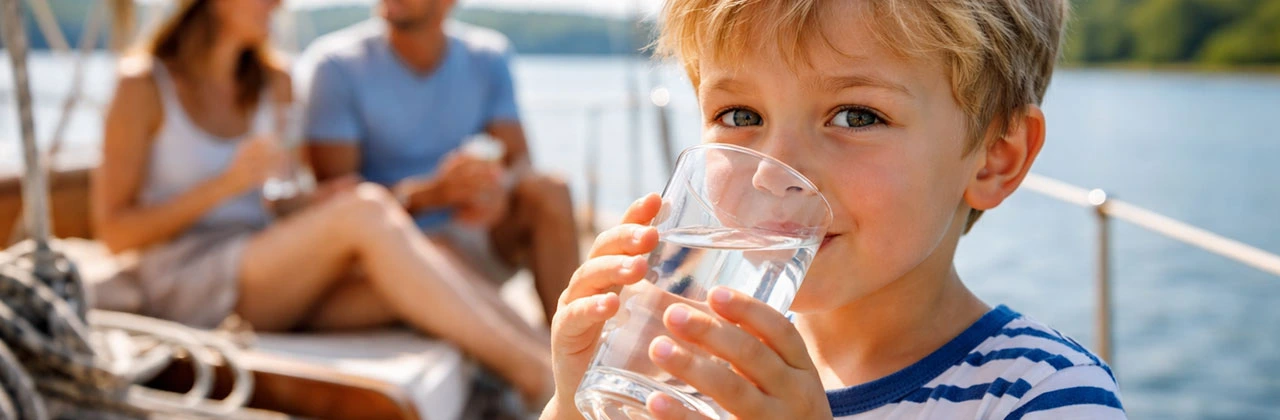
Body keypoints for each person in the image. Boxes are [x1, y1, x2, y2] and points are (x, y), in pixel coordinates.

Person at [542, 1, 1126, 419]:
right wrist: (571, 404)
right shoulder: (697, 365)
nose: (773, 171)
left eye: (856, 116)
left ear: (995, 159)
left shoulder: (1045, 393)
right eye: (741, 115)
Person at [90, 0, 551, 404]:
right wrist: (224, 186)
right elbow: (114, 233)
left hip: (268, 271)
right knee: (367, 210)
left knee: (436, 253)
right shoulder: (143, 84)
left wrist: (319, 203)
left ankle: (559, 367)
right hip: (187, 278)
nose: (278, 5)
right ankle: (538, 381)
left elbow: (278, 204)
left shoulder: (275, 83)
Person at [301, 0, 579, 324]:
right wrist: (434, 194)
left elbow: (519, 161)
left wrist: (497, 190)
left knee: (551, 191)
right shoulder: (336, 65)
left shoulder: (488, 56)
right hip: (391, 250)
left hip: (473, 233)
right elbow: (337, 208)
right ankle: (542, 363)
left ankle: (572, 343)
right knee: (442, 250)